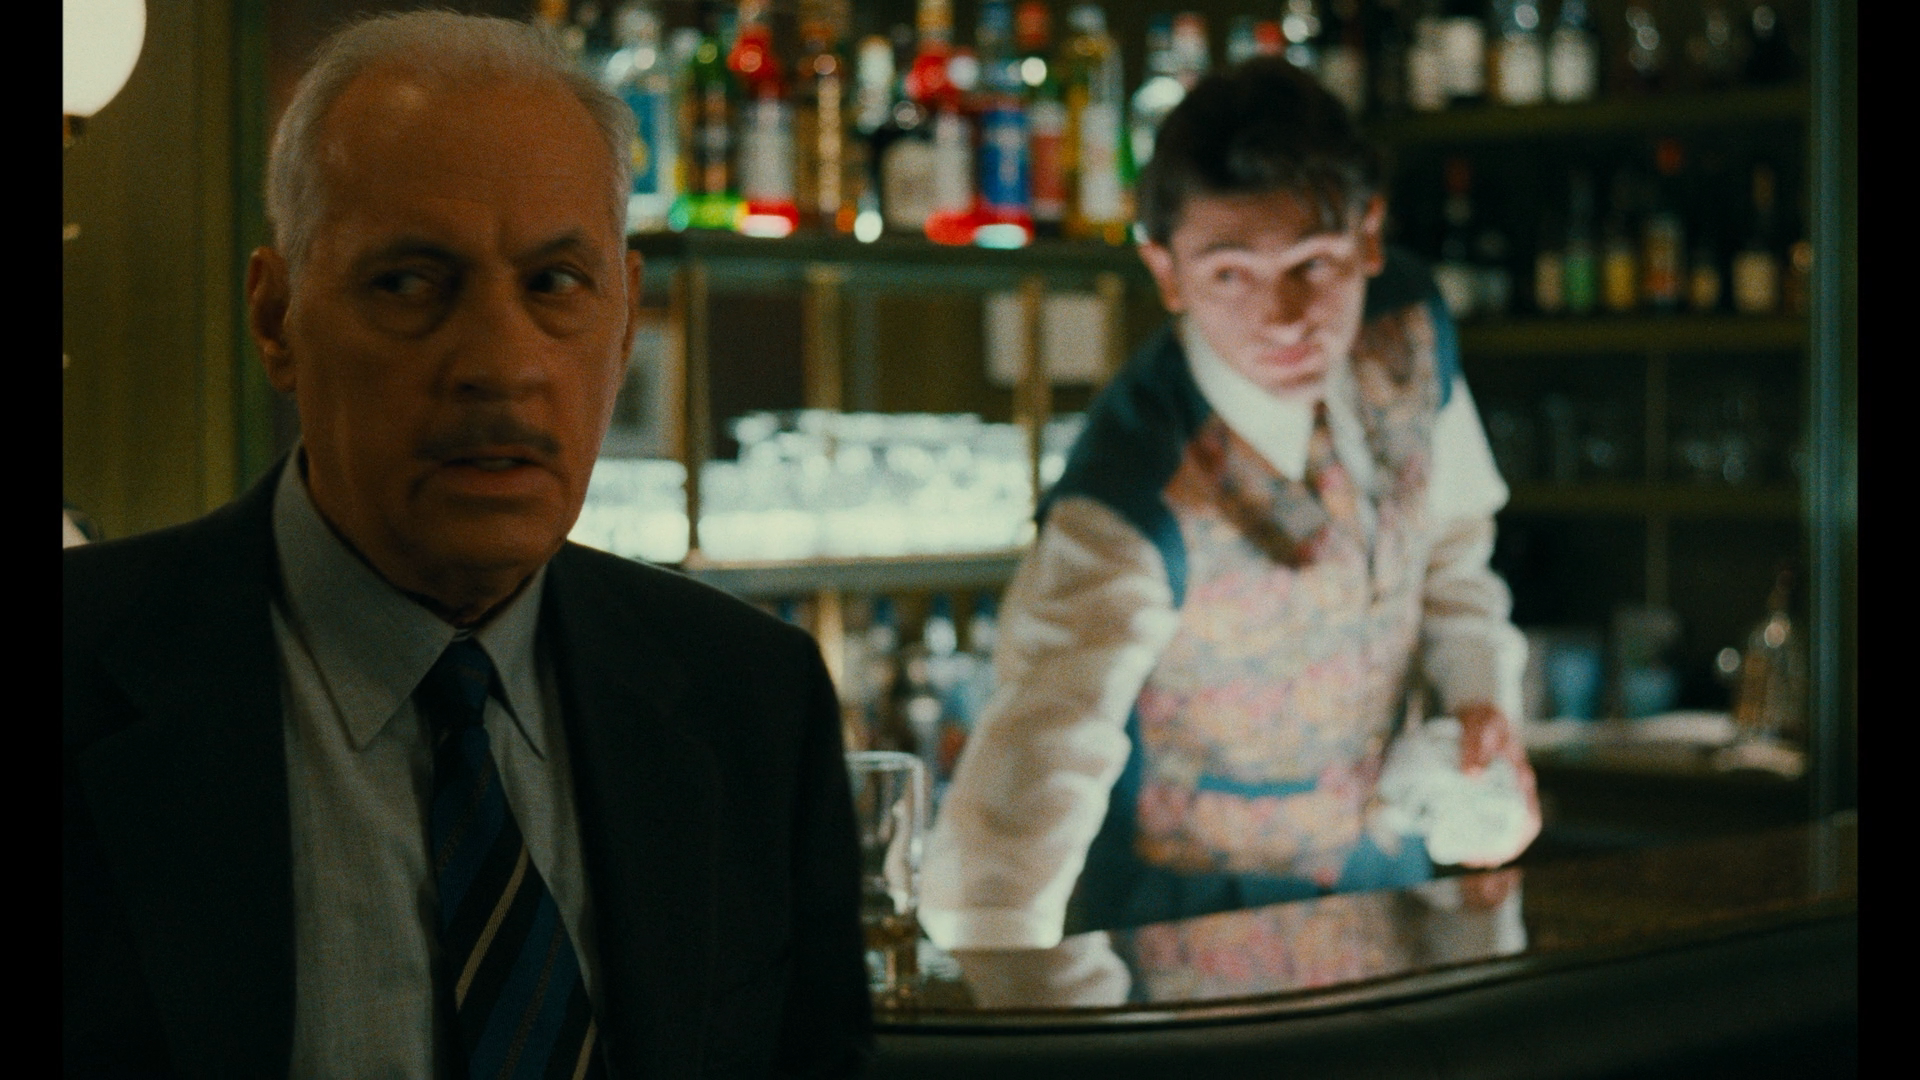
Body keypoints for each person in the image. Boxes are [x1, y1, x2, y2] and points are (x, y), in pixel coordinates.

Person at [63, 14, 871, 1077]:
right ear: (276, 318)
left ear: (626, 318)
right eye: (411, 283)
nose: (500, 363)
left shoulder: (752, 703)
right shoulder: (84, 669)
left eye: (554, 285)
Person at [921, 58, 1539, 951]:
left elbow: (1450, 547)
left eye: (1313, 264)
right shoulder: (1130, 486)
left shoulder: (1407, 322)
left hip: (1391, 902)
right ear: (1165, 272)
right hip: (1187, 950)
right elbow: (1036, 758)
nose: (1283, 316)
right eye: (1229, 275)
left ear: (1369, 236)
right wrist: (998, 981)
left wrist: (1479, 701)